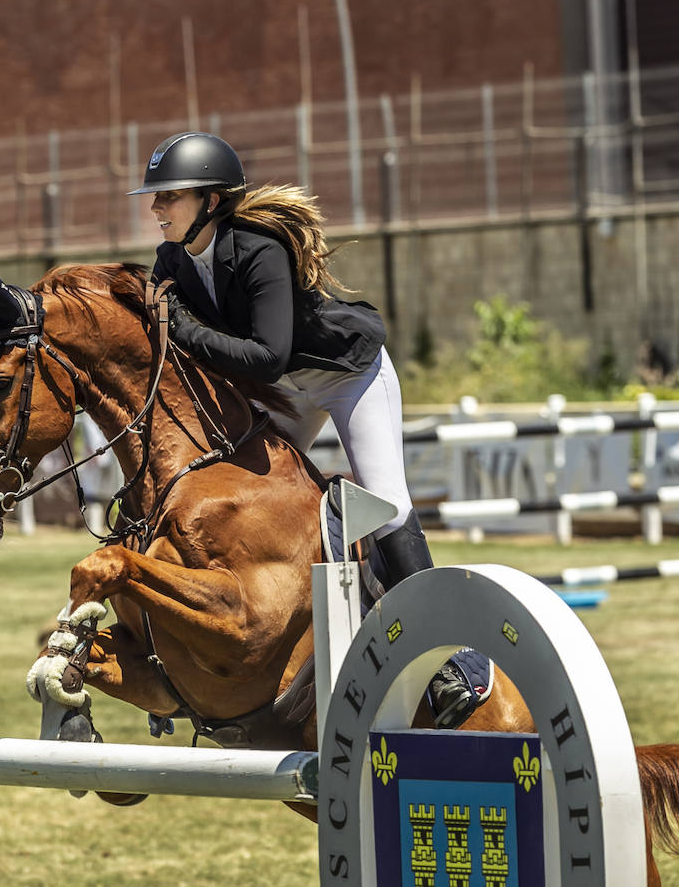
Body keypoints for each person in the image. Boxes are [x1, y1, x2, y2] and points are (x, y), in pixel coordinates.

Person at [128, 131, 478, 727]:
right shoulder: (171, 261)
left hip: (346, 373)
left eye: (171, 197)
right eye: (156, 198)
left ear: (211, 201)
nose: (157, 208)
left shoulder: (258, 247)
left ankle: (449, 656)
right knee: (233, 493)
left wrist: (179, 327)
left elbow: (265, 354)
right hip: (286, 388)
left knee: (387, 499)